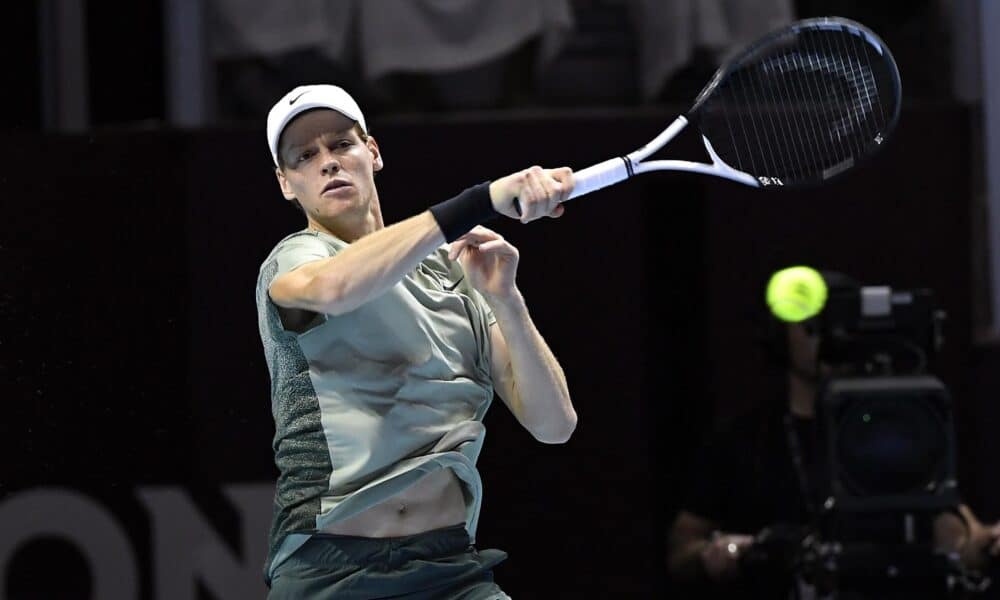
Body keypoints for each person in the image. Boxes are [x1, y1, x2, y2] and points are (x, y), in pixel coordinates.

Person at [254, 83, 577, 599]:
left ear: (372, 152)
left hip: (449, 568)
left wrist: (506, 301)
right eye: (305, 156)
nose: (328, 163)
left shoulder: (456, 273)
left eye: (341, 144)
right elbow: (335, 289)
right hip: (333, 571)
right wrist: (482, 201)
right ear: (286, 183)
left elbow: (554, 424)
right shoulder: (299, 259)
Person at [665, 270, 1000, 599]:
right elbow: (683, 552)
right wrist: (726, 554)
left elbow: (957, 537)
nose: (826, 337)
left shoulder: (902, 427)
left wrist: (987, 544)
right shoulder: (742, 441)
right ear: (780, 334)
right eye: (812, 323)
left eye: (836, 322)